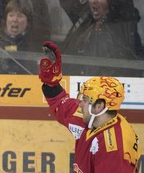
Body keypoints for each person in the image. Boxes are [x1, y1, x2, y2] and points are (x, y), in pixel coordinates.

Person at [38, 41, 140, 172]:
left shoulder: (114, 149)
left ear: (99, 106)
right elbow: (61, 103)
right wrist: (51, 82)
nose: (80, 103)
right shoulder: (91, 118)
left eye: (85, 100)